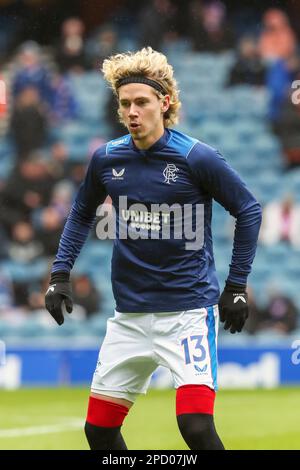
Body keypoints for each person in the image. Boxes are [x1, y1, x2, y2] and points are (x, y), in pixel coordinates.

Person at [45, 47, 262, 450]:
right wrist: (59, 276)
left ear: (164, 103)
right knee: (98, 430)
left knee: (195, 427)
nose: (132, 111)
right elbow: (79, 214)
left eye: (141, 102)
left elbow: (248, 210)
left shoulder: (196, 157)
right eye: (125, 103)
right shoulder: (106, 159)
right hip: (129, 316)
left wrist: (236, 285)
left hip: (187, 313)